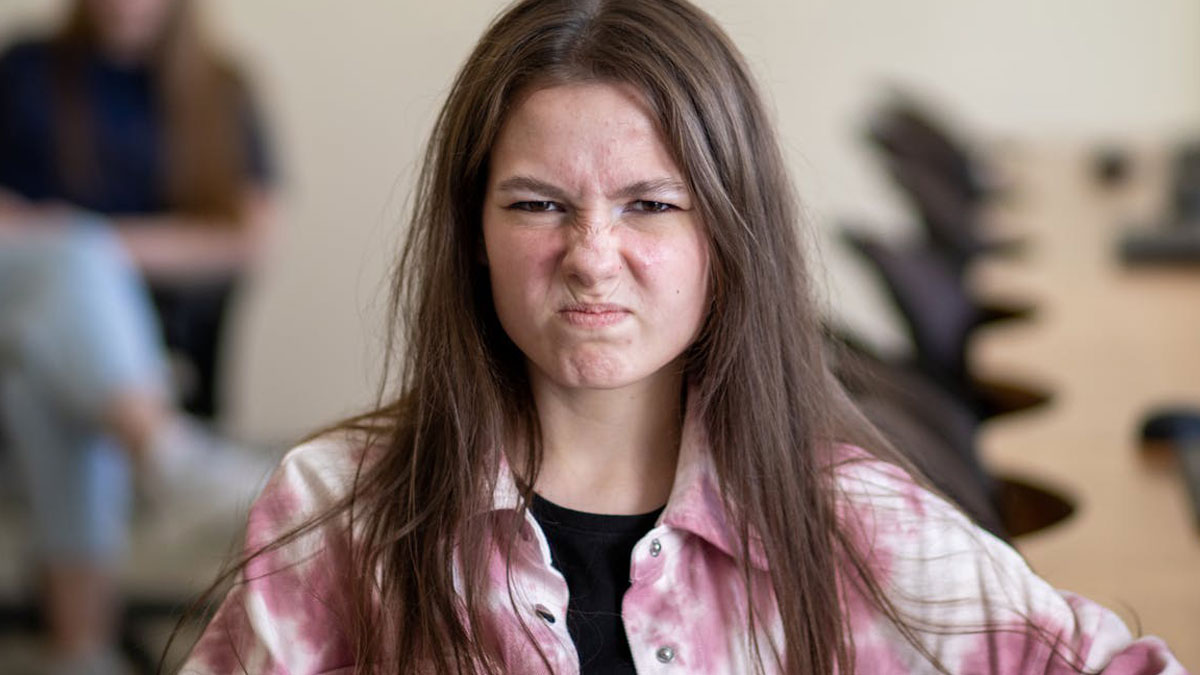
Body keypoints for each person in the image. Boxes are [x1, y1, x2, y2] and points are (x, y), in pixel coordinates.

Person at [180, 0, 1186, 673]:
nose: (590, 254)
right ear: (472, 233)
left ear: (726, 235)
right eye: (536, 205)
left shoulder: (842, 523)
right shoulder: (340, 516)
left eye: (651, 205)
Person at [0, 0, 276, 671]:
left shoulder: (222, 86)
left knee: (41, 365)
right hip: (16, 287)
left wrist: (100, 247)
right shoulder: (27, 69)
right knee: (57, 289)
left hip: (96, 339)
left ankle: (80, 648)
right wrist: (69, 248)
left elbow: (248, 235)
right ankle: (166, 454)